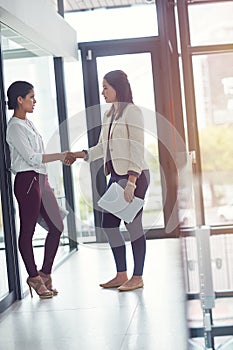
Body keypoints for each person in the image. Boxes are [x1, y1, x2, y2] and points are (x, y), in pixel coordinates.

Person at [73, 70, 150, 291]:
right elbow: (101, 148)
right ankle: (121, 274)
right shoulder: (109, 115)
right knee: (109, 224)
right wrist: (79, 154)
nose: (102, 92)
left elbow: (137, 147)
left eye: (106, 87)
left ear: (118, 87)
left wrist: (132, 181)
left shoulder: (132, 112)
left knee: (134, 226)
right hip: (117, 175)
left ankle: (137, 276)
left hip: (135, 175)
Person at [6, 81, 75, 299]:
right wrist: (60, 155)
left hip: (40, 179)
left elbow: (38, 158)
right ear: (20, 99)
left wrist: (47, 179)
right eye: (31, 97)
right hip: (27, 181)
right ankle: (33, 277)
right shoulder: (15, 126)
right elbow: (31, 158)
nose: (34, 101)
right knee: (27, 231)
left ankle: (45, 273)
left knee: (57, 225)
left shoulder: (29, 124)